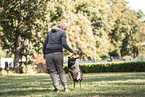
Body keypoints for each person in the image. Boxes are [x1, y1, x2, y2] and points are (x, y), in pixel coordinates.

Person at [43, 21, 77, 92]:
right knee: (60, 70)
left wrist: (44, 53)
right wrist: (72, 51)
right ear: (64, 27)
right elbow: (64, 43)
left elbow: (44, 44)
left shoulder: (50, 33)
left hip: (48, 53)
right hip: (57, 53)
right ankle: (66, 87)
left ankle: (56, 88)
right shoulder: (62, 32)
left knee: (52, 71)